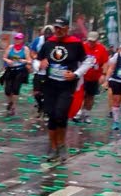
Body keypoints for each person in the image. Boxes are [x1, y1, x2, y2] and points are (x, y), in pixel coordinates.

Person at [35, 16, 89, 162]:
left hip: (66, 86)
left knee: (60, 114)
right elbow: (37, 60)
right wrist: (39, 65)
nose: (57, 31)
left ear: (67, 28)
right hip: (50, 85)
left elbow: (88, 61)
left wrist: (76, 74)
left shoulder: (75, 44)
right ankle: (53, 147)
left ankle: (61, 144)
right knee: (52, 116)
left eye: (60, 28)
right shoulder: (49, 43)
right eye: (56, 28)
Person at [79, 29, 108, 121]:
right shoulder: (82, 46)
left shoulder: (101, 48)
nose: (91, 43)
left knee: (90, 96)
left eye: (93, 41)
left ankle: (86, 113)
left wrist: (103, 74)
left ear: (96, 40)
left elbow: (105, 62)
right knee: (81, 94)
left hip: (94, 76)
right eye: (89, 40)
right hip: (82, 76)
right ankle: (78, 112)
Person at [0, 32, 31, 116]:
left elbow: (29, 60)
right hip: (10, 70)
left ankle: (13, 106)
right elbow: (4, 57)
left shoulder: (25, 49)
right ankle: (10, 101)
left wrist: (24, 61)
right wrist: (8, 61)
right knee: (7, 90)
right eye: (16, 39)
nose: (17, 40)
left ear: (22, 40)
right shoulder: (10, 47)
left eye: (19, 39)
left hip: (20, 71)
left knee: (16, 89)